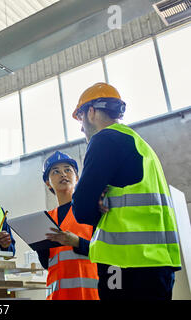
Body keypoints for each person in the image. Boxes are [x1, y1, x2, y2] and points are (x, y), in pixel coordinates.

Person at [71, 82, 181, 300]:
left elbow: (82, 208)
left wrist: (95, 203)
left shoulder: (104, 140)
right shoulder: (140, 144)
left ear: (91, 112)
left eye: (81, 118)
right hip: (158, 263)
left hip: (123, 265)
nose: (82, 128)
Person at [36, 151, 99, 300]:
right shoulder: (46, 219)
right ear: (48, 182)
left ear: (76, 178)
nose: (63, 174)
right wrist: (39, 246)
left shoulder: (92, 210)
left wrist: (77, 242)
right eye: (55, 171)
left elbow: (107, 252)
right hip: (58, 295)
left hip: (89, 293)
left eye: (67, 170)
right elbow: (48, 263)